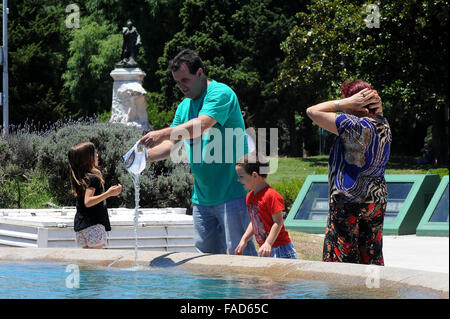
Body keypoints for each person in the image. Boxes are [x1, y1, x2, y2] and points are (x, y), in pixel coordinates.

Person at [139, 49, 257, 256]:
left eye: (185, 79)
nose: (181, 86)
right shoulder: (184, 106)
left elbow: (201, 125)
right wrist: (143, 157)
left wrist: (161, 133)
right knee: (206, 266)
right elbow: (173, 145)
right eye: (177, 82)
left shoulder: (221, 93)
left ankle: (248, 291)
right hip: (202, 199)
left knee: (242, 260)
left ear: (200, 73)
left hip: (234, 193)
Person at [306, 80, 391, 265]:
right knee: (372, 256)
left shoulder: (351, 124)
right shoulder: (383, 124)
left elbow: (312, 111)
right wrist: (376, 105)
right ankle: (372, 291)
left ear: (355, 102)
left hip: (348, 200)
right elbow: (376, 116)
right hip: (376, 201)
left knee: (342, 259)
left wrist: (343, 103)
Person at [234, 152, 298, 259]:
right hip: (265, 249)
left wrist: (268, 242)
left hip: (280, 248)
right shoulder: (250, 197)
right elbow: (255, 221)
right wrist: (244, 239)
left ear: (255, 175)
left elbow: (278, 222)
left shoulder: (271, 196)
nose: (238, 180)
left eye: (241, 176)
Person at [68, 141, 122, 249]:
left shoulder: (80, 177)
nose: (97, 155)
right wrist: (108, 193)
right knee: (96, 264)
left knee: (85, 264)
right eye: (94, 153)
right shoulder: (93, 179)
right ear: (87, 159)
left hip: (81, 228)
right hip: (94, 226)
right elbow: (88, 202)